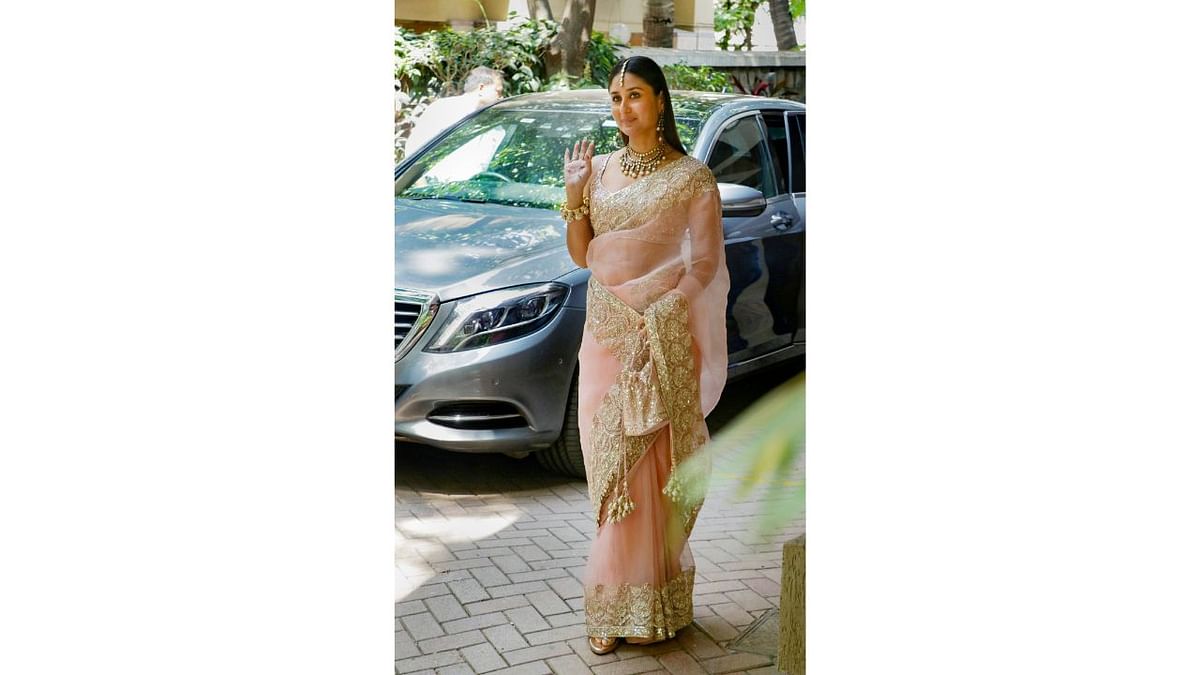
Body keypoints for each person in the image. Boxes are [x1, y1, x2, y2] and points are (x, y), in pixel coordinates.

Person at [560, 56, 730, 656]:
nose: (623, 109)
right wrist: (575, 193)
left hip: (660, 330)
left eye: (634, 95)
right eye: (614, 98)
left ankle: (651, 601)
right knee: (610, 460)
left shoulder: (692, 178)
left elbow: (705, 263)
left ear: (659, 101)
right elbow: (584, 257)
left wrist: (665, 311)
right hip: (606, 330)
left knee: (652, 467)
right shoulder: (599, 170)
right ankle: (612, 601)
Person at [404, 66, 505, 157]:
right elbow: (414, 148)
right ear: (481, 88)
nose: (501, 97)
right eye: (498, 91)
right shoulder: (443, 109)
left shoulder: (490, 120)